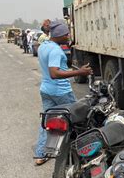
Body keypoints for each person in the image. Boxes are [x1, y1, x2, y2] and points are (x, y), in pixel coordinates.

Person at [34, 21, 93, 165]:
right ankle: (82, 151)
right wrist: (80, 72)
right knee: (79, 119)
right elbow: (54, 73)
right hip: (61, 92)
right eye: (66, 34)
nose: (68, 36)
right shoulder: (55, 50)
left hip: (46, 90)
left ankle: (41, 154)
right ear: (59, 35)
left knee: (47, 121)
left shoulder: (43, 46)